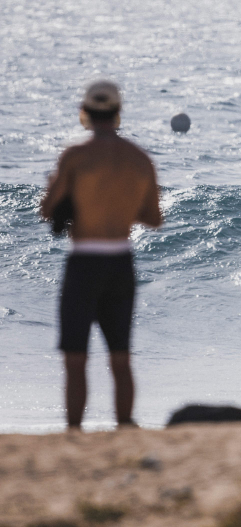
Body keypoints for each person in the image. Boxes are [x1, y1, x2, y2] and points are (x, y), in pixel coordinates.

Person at [39, 81, 162, 430]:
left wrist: (63, 194)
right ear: (118, 114)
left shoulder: (75, 156)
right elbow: (153, 218)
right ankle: (124, 427)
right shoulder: (140, 159)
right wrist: (121, 206)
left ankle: (75, 433)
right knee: (121, 358)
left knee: (75, 359)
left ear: (85, 114)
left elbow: (48, 210)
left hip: (84, 262)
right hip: (121, 262)